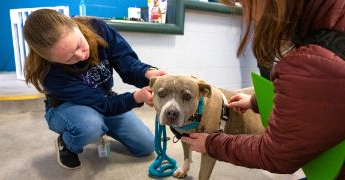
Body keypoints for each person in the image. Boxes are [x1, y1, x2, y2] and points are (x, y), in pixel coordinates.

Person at [182, 0, 345, 178]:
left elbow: (277, 154)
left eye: (243, 4)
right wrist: (255, 101)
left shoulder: (315, 62)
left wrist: (212, 144)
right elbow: (319, 94)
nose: (248, 17)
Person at [23, 9, 166, 169]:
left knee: (146, 146)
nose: (81, 55)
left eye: (79, 45)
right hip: (67, 107)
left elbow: (126, 62)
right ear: (50, 59)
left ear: (76, 27)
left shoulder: (97, 28)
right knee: (90, 125)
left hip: (103, 98)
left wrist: (147, 73)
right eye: (69, 58)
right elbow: (104, 105)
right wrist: (136, 97)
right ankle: (67, 143)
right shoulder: (49, 74)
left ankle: (99, 126)